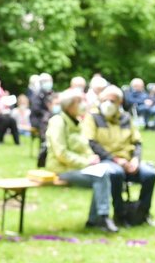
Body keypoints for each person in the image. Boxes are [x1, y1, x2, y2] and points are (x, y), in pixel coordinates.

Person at [82, 86, 155, 226]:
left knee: (150, 174)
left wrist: (135, 159)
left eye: (112, 100)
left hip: (129, 161)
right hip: (107, 160)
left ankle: (142, 213)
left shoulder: (126, 118)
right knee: (116, 173)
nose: (108, 103)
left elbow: (137, 142)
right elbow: (92, 143)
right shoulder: (93, 117)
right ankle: (120, 213)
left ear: (120, 102)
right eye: (105, 100)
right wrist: (115, 160)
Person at [45, 89, 118, 232]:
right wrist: (86, 163)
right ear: (69, 105)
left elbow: (84, 146)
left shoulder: (77, 122)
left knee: (103, 174)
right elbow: (61, 153)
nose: (83, 105)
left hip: (79, 167)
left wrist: (92, 157)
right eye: (79, 101)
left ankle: (95, 219)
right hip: (61, 169)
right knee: (101, 176)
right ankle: (101, 217)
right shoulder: (57, 122)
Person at [31, 73, 55, 167]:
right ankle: (44, 148)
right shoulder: (37, 94)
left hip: (50, 118)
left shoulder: (52, 93)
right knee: (45, 123)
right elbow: (36, 110)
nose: (48, 83)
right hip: (38, 120)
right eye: (45, 81)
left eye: (49, 81)